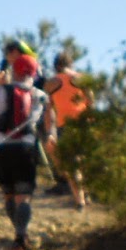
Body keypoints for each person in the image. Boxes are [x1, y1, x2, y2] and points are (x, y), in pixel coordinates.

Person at [0, 52, 51, 250]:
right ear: (34, 73)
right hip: (25, 148)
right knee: (23, 197)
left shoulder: (0, 91)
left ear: (14, 70)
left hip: (1, 149)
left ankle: (18, 233)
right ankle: (20, 235)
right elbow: (47, 123)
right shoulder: (39, 95)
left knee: (8, 195)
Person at [43, 53, 92, 208]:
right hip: (84, 124)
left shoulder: (52, 83)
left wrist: (49, 132)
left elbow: (48, 110)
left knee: (71, 164)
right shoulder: (82, 79)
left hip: (64, 125)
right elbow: (91, 102)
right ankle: (86, 194)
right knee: (84, 161)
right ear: (71, 64)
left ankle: (80, 200)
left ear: (56, 66)